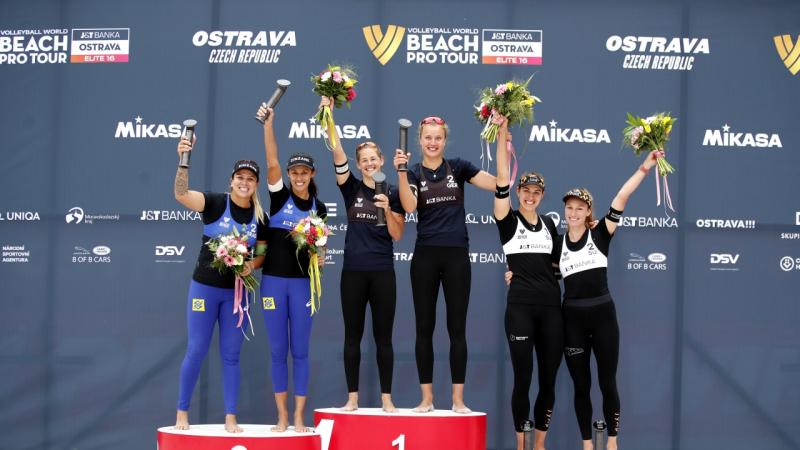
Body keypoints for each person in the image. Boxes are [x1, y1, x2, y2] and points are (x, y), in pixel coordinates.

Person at [393, 116, 496, 413]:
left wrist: (503, 137)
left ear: (444, 140)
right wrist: (401, 172)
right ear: (420, 140)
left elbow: (498, 183)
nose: (433, 142)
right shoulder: (412, 172)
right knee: (424, 329)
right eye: (428, 137)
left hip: (456, 257)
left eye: (438, 138)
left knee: (457, 329)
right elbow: (410, 207)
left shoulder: (459, 167)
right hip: (425, 256)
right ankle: (426, 399)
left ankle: (458, 400)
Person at [559, 151, 659, 450]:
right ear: (564, 210)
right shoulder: (556, 243)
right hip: (572, 320)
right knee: (581, 386)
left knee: (607, 383)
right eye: (569, 208)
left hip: (603, 315)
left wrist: (645, 167)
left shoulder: (601, 233)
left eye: (580, 208)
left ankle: (613, 442)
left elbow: (622, 196)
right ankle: (587, 444)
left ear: (589, 211)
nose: (574, 213)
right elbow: (538, 274)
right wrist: (513, 274)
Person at [173, 134, 267, 433]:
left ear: (256, 185)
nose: (244, 182)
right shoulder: (214, 203)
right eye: (240, 177)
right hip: (205, 289)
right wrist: (183, 161)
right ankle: (182, 414)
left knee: (231, 355)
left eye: (250, 179)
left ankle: (230, 417)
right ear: (231, 181)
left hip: (236, 295)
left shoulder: (260, 217)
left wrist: (250, 265)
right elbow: (181, 194)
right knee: (197, 349)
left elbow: (263, 252)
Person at [318, 97, 405, 413]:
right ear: (358, 165)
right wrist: (328, 113)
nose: (369, 163)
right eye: (363, 160)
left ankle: (387, 399)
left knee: (384, 338)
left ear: (381, 159)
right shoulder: (350, 187)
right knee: (351, 336)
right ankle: (352, 398)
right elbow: (337, 151)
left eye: (373, 158)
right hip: (353, 271)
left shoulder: (394, 192)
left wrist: (389, 210)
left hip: (383, 271)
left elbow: (398, 233)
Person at [255, 104, 327, 433]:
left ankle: (299, 415)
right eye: (294, 172)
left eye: (304, 172)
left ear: (312, 175)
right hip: (273, 282)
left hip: (301, 285)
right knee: (276, 350)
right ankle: (281, 416)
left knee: (299, 350)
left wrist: (321, 255)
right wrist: (269, 124)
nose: (298, 177)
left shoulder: (318, 207)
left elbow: (320, 247)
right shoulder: (279, 195)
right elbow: (271, 161)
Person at [492, 116, 562, 450]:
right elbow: (501, 178)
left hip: (552, 309)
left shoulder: (550, 224)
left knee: (548, 380)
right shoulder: (507, 219)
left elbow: (562, 265)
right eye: (526, 190)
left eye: (536, 192)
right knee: (523, 378)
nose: (530, 196)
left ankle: (540, 445)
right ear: (517, 192)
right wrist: (503, 132)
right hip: (520, 307)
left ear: (542, 195)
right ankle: (520, 444)